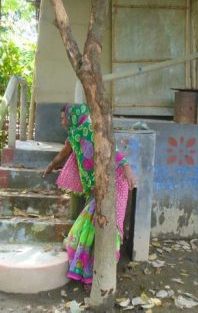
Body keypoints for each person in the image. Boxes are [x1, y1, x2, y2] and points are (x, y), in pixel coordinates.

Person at [43, 103, 137, 286]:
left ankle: (98, 272)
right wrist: (51, 166)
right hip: (97, 186)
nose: (62, 122)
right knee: (94, 223)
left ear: (72, 116)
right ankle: (89, 268)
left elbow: (111, 150)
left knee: (107, 224)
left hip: (113, 181)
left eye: (64, 118)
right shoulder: (75, 133)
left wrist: (127, 169)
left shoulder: (89, 129)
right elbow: (64, 152)